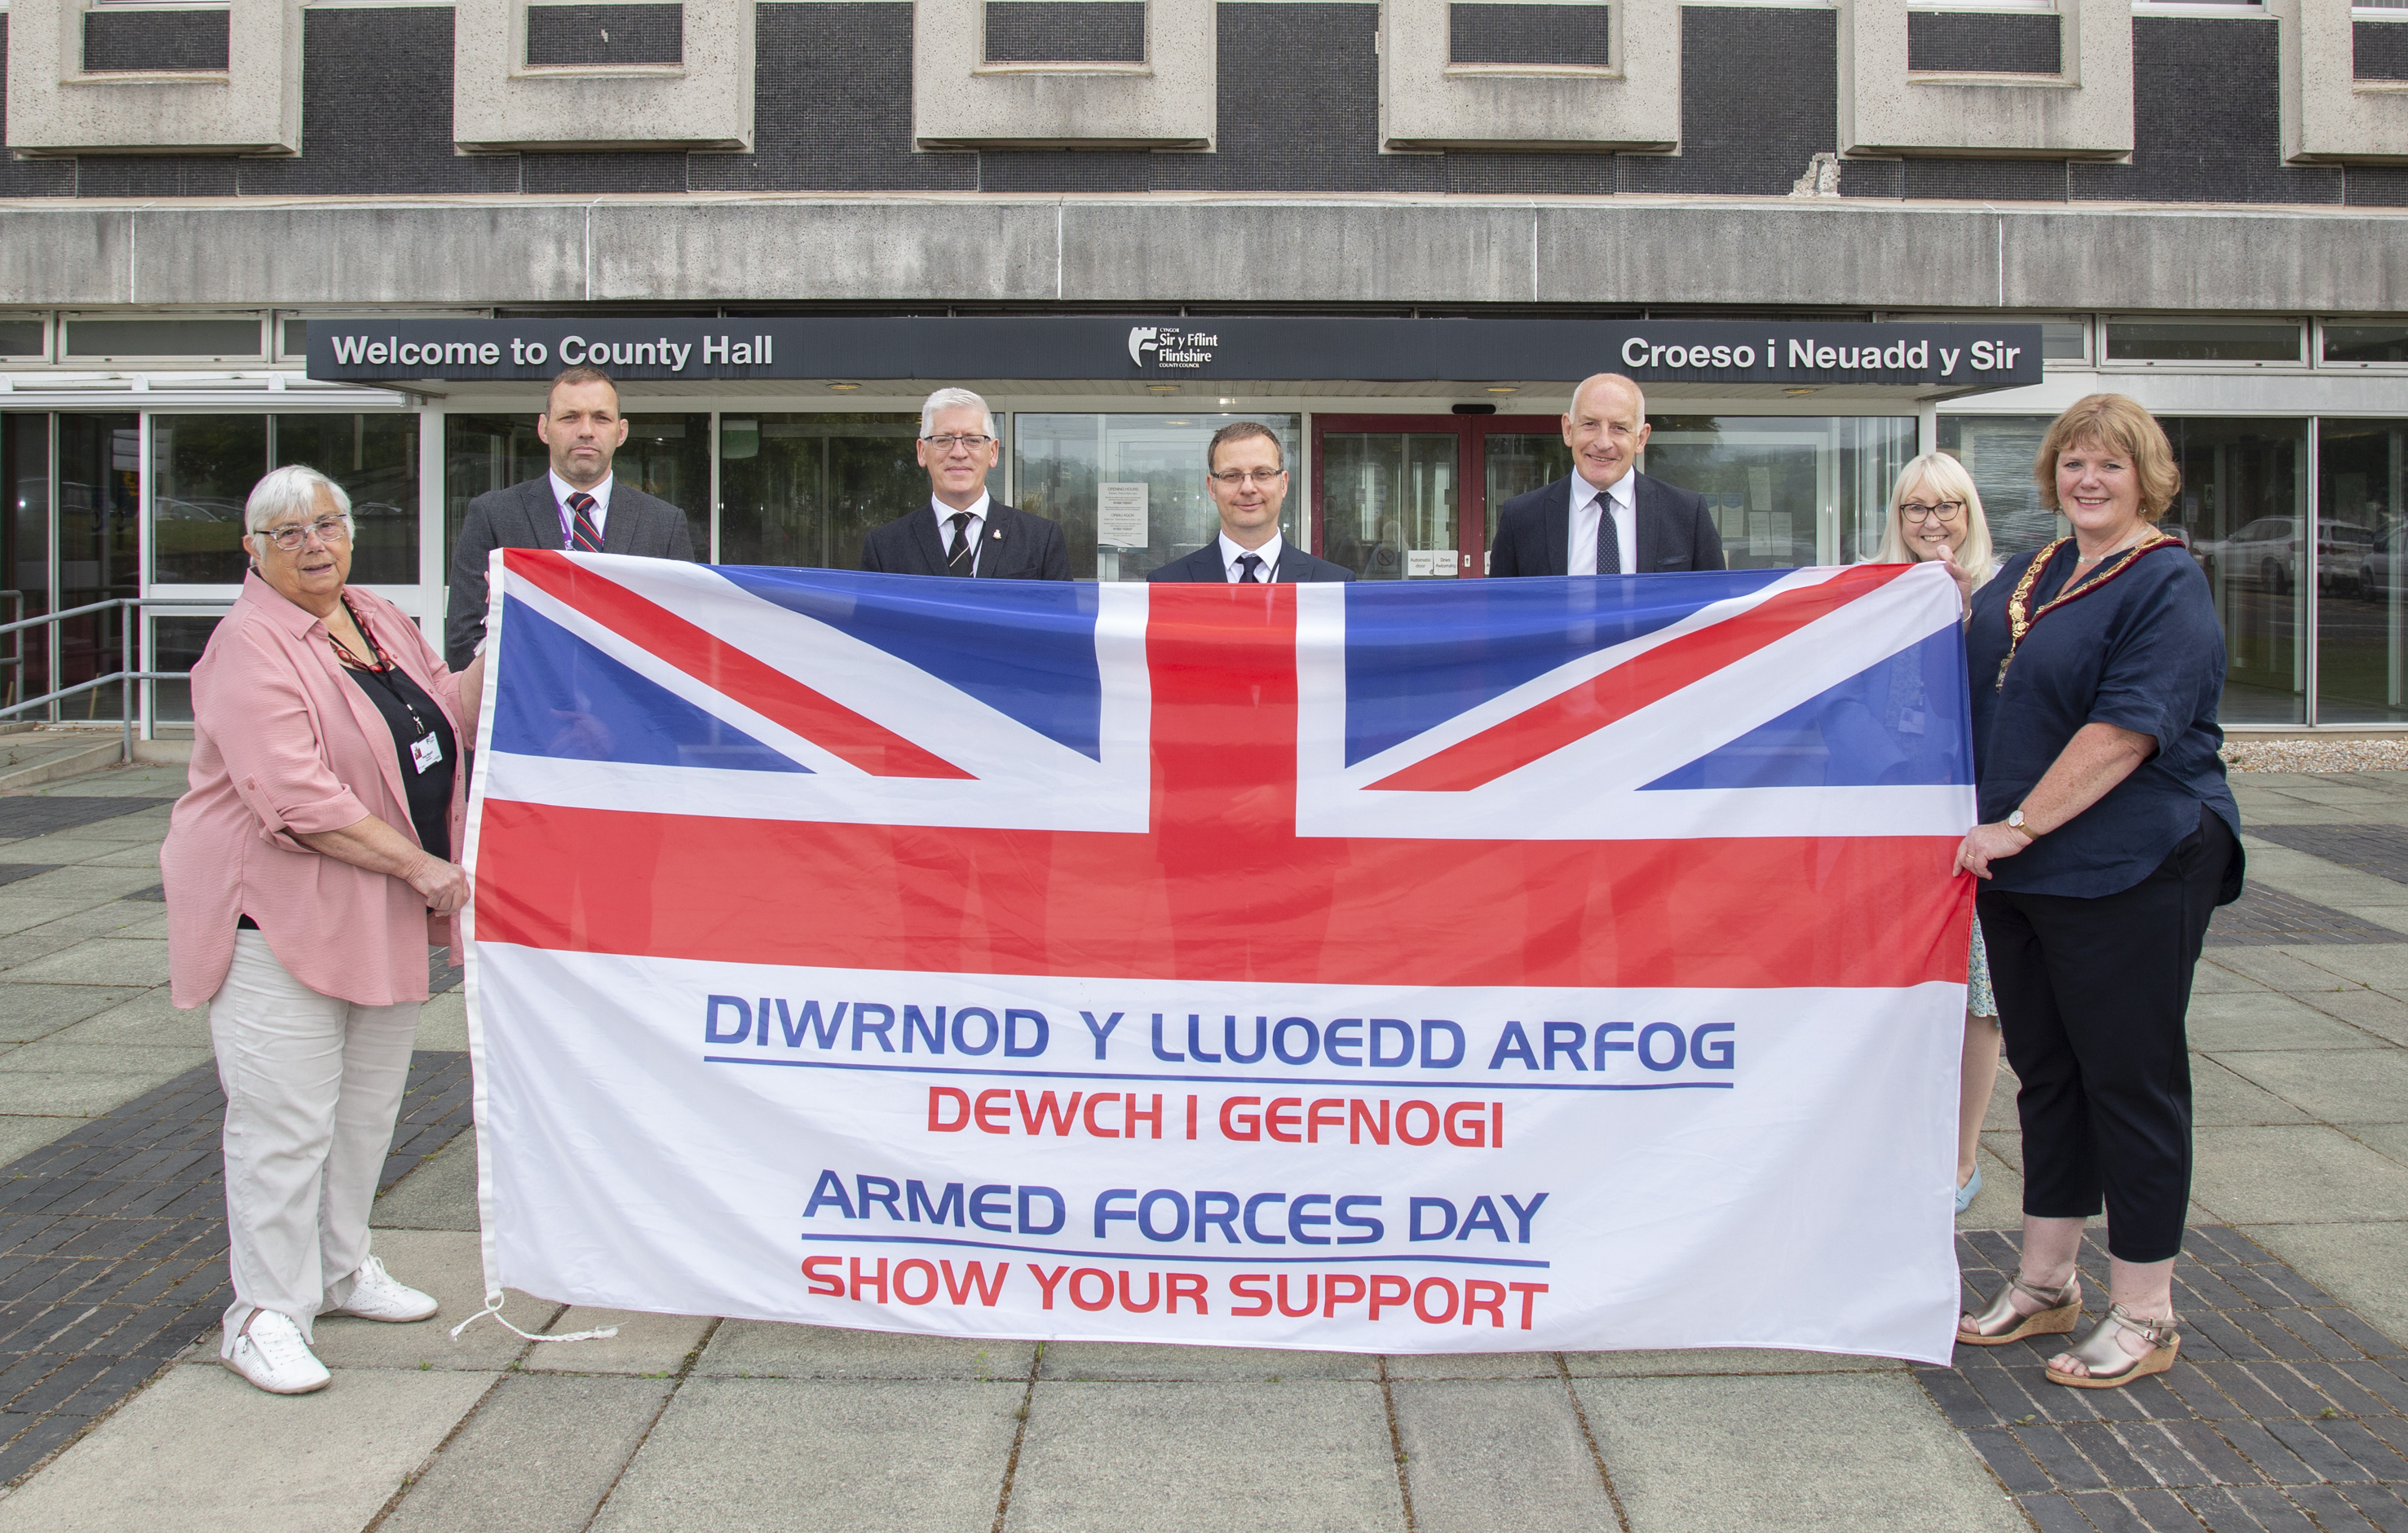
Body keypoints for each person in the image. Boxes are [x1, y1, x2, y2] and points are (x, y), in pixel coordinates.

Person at [163, 466, 486, 1395]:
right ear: (252, 549)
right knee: (283, 1121)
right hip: (282, 911)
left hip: (378, 908)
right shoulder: (247, 646)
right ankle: (262, 1311)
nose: (314, 543)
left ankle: (341, 1267)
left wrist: (507, 639)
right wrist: (421, 865)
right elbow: (295, 798)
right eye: (288, 530)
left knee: (362, 1112)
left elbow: (447, 715)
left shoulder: (376, 615)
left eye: (329, 524)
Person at [1951, 394, 2242, 1389]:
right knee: (2049, 1072)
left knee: (2132, 1079)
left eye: (2109, 466)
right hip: (2025, 872)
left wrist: (2020, 821)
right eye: (2073, 462)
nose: (2087, 480)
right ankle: (2045, 1282)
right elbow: (1975, 659)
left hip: (2131, 863)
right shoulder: (2035, 568)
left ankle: (2147, 1309)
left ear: (2146, 476)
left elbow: (2124, 729)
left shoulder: (2166, 583)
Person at [1870, 452, 2003, 1216]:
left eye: (1946, 507)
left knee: (1974, 992)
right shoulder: (1875, 594)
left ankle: (1959, 1155)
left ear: (1968, 514)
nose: (1931, 522)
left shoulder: (1998, 595)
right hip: (1896, 819)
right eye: (1916, 509)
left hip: (1973, 816)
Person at [445, 364, 696, 668]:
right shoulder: (493, 515)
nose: (586, 430)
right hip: (529, 708)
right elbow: (463, 643)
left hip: (628, 710)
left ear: (621, 432)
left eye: (601, 418)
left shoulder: (664, 524)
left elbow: (685, 639)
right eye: (570, 417)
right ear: (543, 428)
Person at [1489, 373, 1723, 577]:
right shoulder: (1520, 518)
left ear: (1641, 438)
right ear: (1568, 430)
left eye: (1619, 428)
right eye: (1590, 424)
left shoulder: (1688, 514)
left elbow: (1716, 613)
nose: (1602, 443)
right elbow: (1502, 617)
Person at [860, 387, 1071, 579]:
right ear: (922, 452)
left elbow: (1062, 620)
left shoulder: (1041, 539)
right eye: (943, 440)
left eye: (972, 440)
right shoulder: (884, 546)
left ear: (993, 452)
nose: (959, 453)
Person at [1148, 422, 1353, 584]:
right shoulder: (1166, 584)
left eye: (1262, 474)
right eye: (1231, 475)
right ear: (1212, 487)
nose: (1248, 488)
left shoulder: (1334, 585)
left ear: (1283, 484)